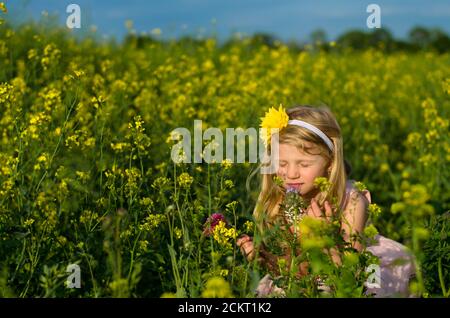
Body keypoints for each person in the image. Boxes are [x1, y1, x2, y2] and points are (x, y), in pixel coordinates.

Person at [237, 105, 415, 297]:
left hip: (358, 275)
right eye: (282, 163)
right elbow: (294, 270)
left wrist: (325, 241)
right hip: (308, 278)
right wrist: (264, 257)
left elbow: (351, 275)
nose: (290, 174)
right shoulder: (283, 199)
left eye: (304, 164)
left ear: (330, 164)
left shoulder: (352, 202)